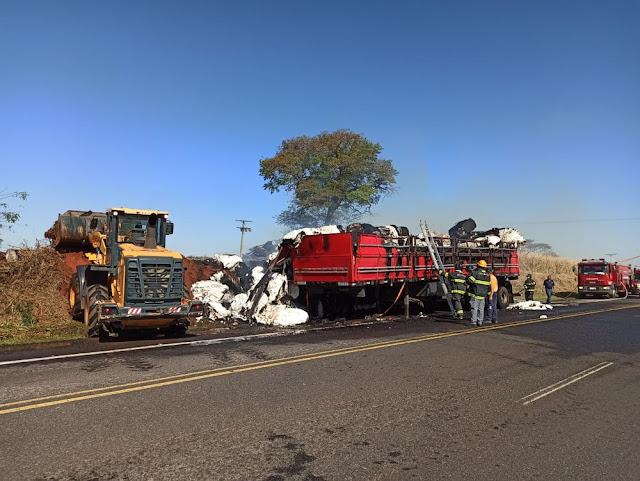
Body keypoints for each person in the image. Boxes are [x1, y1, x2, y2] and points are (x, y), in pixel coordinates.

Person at [466, 259, 491, 327]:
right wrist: (489, 295)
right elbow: (489, 286)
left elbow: (469, 281)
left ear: (478, 265)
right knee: (481, 309)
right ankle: (480, 321)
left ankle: (474, 322)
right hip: (483, 296)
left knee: (474, 308)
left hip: (475, 294)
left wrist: (468, 275)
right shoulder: (488, 275)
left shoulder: (475, 273)